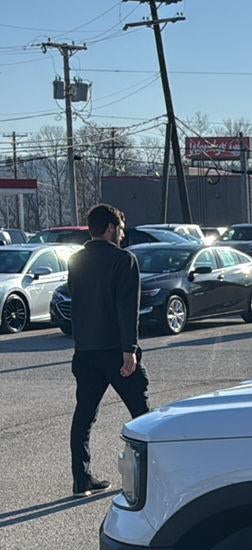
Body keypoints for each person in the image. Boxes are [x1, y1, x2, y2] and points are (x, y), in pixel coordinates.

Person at [68, 204, 150, 496]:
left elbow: (75, 304)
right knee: (142, 415)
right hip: (116, 352)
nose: (123, 235)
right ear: (110, 228)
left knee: (84, 415)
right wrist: (129, 349)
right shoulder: (123, 260)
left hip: (85, 351)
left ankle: (82, 479)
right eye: (121, 229)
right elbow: (127, 308)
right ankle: (151, 478)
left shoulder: (75, 261)